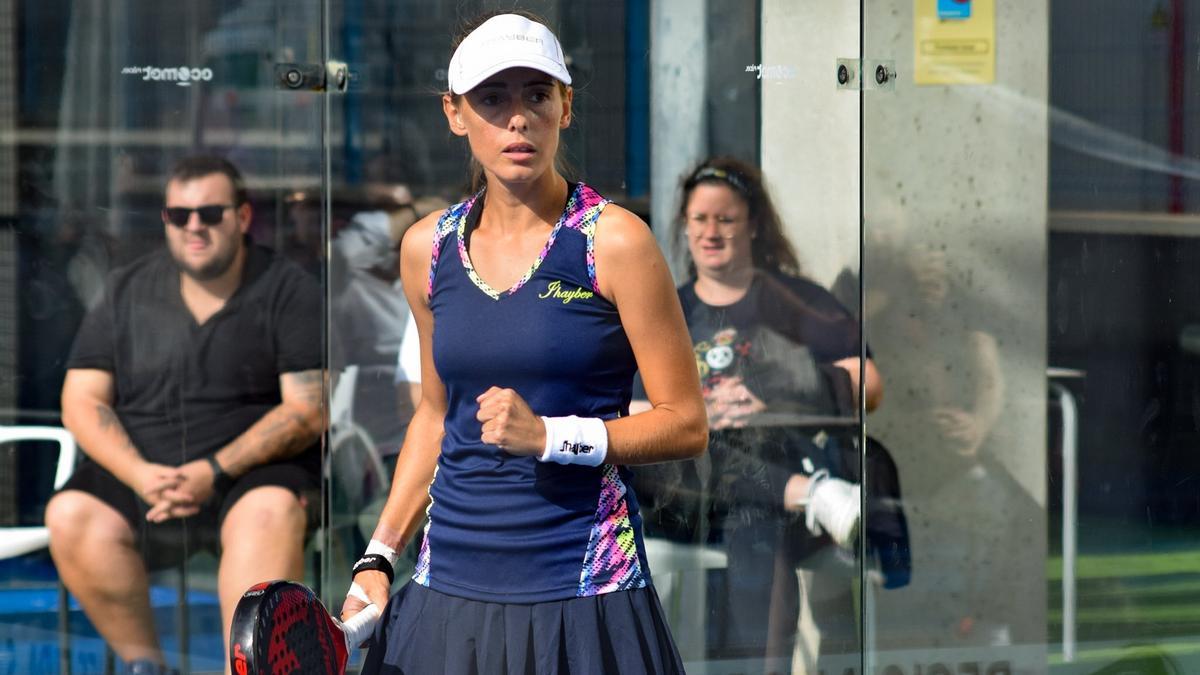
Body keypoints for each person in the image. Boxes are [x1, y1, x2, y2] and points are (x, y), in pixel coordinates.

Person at [339, 11, 707, 674]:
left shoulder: (615, 242)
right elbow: (435, 413)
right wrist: (379, 554)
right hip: (444, 587)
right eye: (492, 98)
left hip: (584, 590)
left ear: (565, 107)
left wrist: (552, 436)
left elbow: (686, 423)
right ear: (455, 114)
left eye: (536, 95)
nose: (517, 119)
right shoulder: (426, 248)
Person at [44, 155, 325, 675]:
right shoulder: (127, 289)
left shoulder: (288, 288)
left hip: (251, 476)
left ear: (241, 218)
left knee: (267, 513)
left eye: (211, 213)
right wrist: (141, 475)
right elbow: (81, 401)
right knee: (71, 515)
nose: (194, 226)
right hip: (148, 474)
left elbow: (308, 411)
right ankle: (146, 667)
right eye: (180, 215)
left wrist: (212, 471)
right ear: (166, 221)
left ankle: (243, 670)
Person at [631, 157, 884, 668]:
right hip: (684, 495)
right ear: (684, 226)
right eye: (699, 219)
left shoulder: (792, 300)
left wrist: (775, 392)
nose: (711, 231)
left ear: (753, 224)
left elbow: (870, 386)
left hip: (764, 492)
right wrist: (694, 409)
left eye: (725, 218)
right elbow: (632, 409)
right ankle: (812, 496)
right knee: (676, 446)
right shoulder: (666, 308)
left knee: (756, 523)